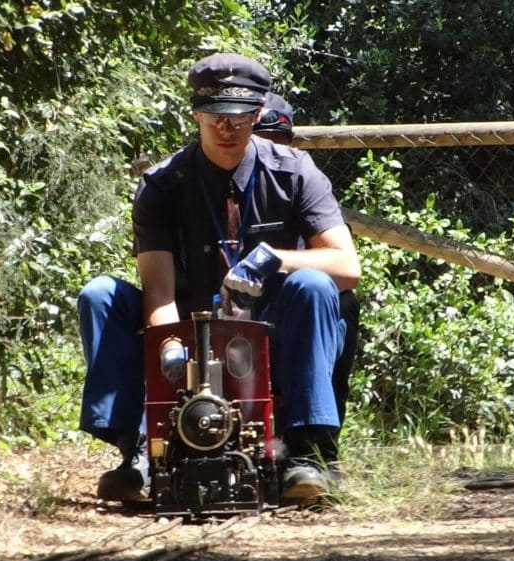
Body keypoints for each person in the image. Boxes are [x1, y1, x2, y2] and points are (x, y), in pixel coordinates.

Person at [77, 53, 362, 505]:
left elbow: (348, 266)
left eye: (241, 117)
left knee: (315, 284)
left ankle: (306, 456)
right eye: (215, 118)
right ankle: (139, 453)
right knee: (99, 295)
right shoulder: (162, 184)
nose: (228, 130)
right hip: (186, 322)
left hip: (270, 321)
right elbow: (159, 289)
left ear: (258, 113)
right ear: (195, 115)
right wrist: (167, 346)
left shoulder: (295, 170)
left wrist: (275, 260)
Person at [252, 92, 362, 432]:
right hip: (227, 302)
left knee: (342, 303)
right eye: (260, 140)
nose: (270, 150)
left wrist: (274, 261)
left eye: (278, 141)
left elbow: (346, 267)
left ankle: (319, 445)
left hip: (293, 302)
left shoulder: (299, 177)